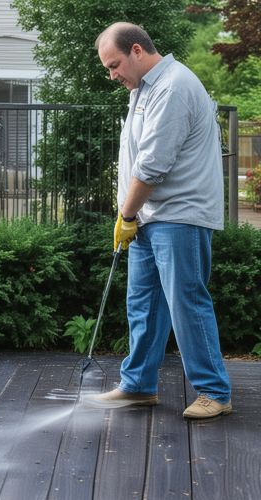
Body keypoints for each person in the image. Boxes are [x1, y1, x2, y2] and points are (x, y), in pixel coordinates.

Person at [86, 22, 231, 419]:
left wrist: (127, 214)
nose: (112, 75)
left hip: (179, 216)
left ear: (136, 50)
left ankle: (215, 392)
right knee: (144, 303)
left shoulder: (173, 86)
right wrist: (129, 214)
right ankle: (138, 385)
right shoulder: (143, 89)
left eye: (114, 65)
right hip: (148, 216)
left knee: (186, 303)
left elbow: (152, 165)